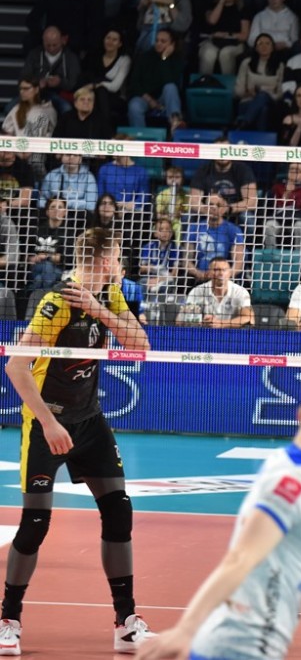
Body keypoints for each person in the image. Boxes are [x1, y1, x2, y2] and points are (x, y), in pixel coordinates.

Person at [134, 364, 301, 660]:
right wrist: (185, 630)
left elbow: (283, 565)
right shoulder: (293, 484)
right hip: (238, 648)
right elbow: (241, 557)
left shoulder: (292, 470)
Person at [1, 227, 154, 655]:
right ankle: (9, 619)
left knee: (119, 511)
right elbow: (15, 367)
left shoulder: (110, 295)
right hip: (47, 423)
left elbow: (141, 344)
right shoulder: (56, 304)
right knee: (35, 523)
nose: (121, 265)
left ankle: (125, 622)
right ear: (104, 261)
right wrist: (49, 423)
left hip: (89, 420)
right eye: (118, 257)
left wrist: (99, 310)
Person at [177, 256, 254, 328]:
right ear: (209, 273)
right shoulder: (197, 291)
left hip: (232, 335)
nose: (221, 273)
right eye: (216, 270)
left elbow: (250, 319)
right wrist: (202, 322)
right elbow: (179, 321)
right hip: (203, 334)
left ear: (230, 273)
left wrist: (221, 323)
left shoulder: (240, 292)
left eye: (224, 270)